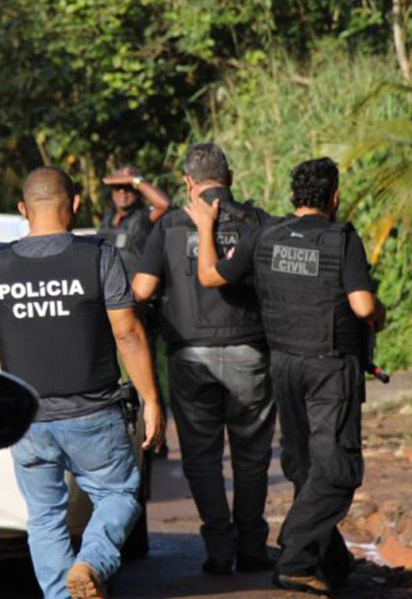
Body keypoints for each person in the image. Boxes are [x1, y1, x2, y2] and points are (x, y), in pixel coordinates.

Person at [186, 157, 385, 596]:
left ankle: (330, 560)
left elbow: (208, 275)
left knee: (304, 465)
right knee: (337, 470)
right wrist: (380, 312)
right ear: (334, 197)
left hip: (284, 365)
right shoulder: (342, 239)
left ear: (294, 196)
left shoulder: (266, 235)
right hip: (329, 368)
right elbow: (363, 306)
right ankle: (295, 555)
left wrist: (204, 226)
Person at [0, 166, 165, 599]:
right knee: (118, 494)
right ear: (74, 204)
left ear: (23, 210)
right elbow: (128, 333)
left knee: (44, 516)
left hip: (27, 420)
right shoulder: (98, 256)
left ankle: (60, 595)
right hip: (93, 413)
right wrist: (151, 400)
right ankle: (91, 561)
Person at [131, 142, 276, 576]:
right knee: (251, 454)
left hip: (189, 355)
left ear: (188, 182)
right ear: (229, 178)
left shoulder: (170, 226)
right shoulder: (258, 222)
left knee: (201, 456)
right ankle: (252, 546)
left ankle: (218, 548)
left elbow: (141, 291)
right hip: (250, 350)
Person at [97, 165, 171, 278]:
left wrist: (135, 180)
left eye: (128, 187)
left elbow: (164, 205)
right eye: (117, 187)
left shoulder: (144, 216)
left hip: (134, 285)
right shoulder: (107, 219)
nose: (122, 192)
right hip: (110, 284)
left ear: (138, 191)